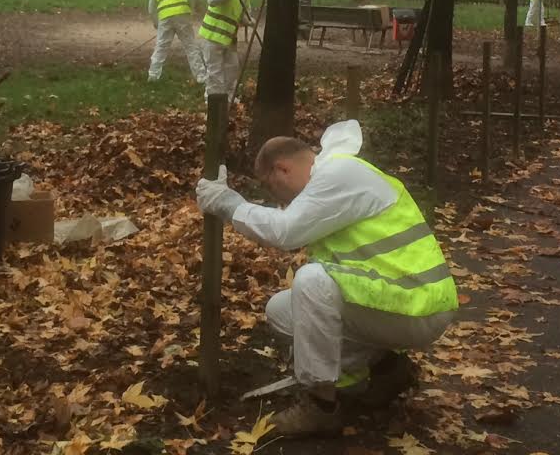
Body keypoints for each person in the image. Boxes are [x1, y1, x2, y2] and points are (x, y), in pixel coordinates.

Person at [195, 120, 458, 437]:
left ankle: (321, 406)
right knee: (282, 310)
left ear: (282, 170)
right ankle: (385, 370)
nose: (277, 197)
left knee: (311, 281)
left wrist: (228, 204)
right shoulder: (337, 177)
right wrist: (231, 203)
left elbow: (285, 230)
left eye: (269, 186)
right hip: (399, 304)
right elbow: (288, 224)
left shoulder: (337, 175)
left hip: (417, 305)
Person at [198, 0, 263, 101]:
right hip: (213, 36)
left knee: (232, 68)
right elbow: (211, 0)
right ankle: (213, 99)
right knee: (215, 70)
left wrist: (249, 21)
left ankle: (228, 97)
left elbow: (241, 16)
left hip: (229, 39)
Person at [147, 0, 207, 84]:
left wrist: (156, 23)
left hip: (165, 18)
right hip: (182, 16)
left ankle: (153, 76)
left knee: (160, 48)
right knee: (190, 46)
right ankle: (201, 77)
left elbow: (151, 9)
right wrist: (192, 6)